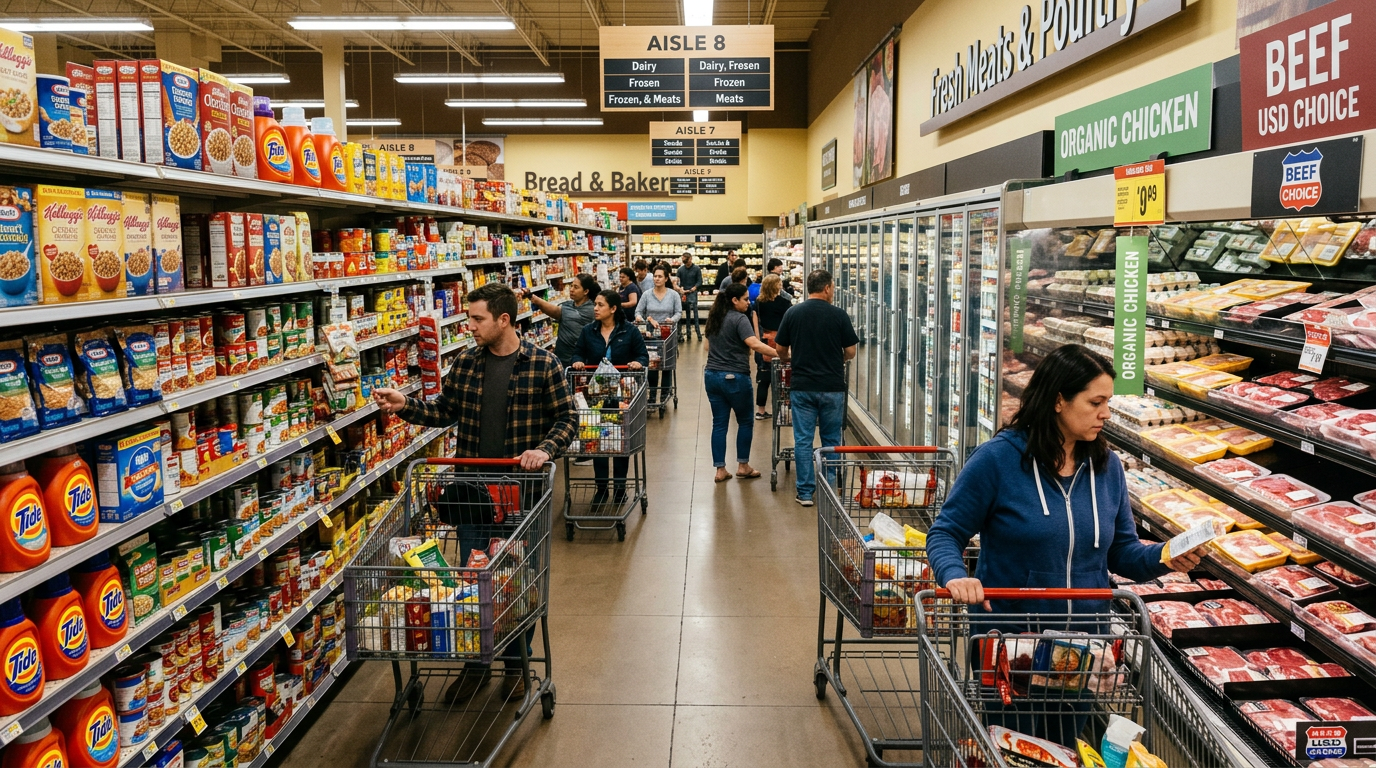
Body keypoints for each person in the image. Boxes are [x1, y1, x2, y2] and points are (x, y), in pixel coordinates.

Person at [924, 344, 1202, 747]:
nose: (1106, 413)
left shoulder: (1107, 469)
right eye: (1096, 402)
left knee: (1062, 749)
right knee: (1013, 750)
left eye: (1108, 402)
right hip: (1013, 648)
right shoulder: (998, 460)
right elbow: (945, 532)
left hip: (1082, 651)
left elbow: (1122, 552)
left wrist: (1166, 557)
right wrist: (955, 576)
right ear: (1059, 400)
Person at [373, 282, 575, 703]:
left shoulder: (544, 364)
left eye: (477, 318)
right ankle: (475, 664)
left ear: (504, 319)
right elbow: (446, 411)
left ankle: (517, 665)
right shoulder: (466, 363)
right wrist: (404, 404)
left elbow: (566, 420)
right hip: (471, 494)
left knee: (518, 583)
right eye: (468, 318)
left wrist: (544, 449)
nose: (470, 326)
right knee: (471, 580)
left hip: (521, 495)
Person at [773, 269, 858, 507]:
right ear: (828, 288)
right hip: (832, 387)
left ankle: (805, 492)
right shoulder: (839, 315)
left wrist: (789, 359)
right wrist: (837, 358)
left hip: (803, 387)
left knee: (803, 440)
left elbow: (780, 348)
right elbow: (850, 351)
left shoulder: (793, 312)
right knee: (831, 439)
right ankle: (829, 490)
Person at [572, 289, 648, 507]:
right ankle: (602, 488)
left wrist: (638, 363)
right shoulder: (589, 331)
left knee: (621, 442)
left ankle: (620, 489)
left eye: (600, 305)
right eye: (595, 304)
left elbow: (642, 355)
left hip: (623, 395)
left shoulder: (629, 331)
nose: (595, 308)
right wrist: (578, 362)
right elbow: (577, 353)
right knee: (598, 442)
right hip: (596, 396)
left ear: (613, 309)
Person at [704, 283, 778, 483]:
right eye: (745, 299)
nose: (749, 302)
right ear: (734, 300)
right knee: (745, 421)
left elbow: (706, 346)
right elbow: (754, 343)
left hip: (711, 375)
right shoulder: (739, 319)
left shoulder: (714, 318)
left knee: (719, 423)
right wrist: (781, 354)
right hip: (735, 377)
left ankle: (720, 470)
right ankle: (743, 466)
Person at [524, 273, 598, 367]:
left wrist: (534, 298)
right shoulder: (568, 305)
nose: (571, 289)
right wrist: (531, 297)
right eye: (571, 286)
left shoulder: (591, 309)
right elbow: (556, 311)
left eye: (576, 287)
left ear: (586, 291)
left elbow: (556, 312)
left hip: (578, 362)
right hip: (561, 358)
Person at [636, 264, 683, 405]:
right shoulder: (646, 294)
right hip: (650, 335)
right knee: (653, 365)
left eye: (660, 276)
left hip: (667, 334)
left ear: (666, 278)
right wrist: (641, 319)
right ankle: (652, 395)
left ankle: (664, 394)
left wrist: (672, 320)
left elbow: (678, 313)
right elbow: (638, 311)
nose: (656, 279)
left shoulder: (673, 295)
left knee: (667, 365)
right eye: (655, 276)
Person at [751, 274, 792, 420]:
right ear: (776, 286)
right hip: (780, 340)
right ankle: (783, 408)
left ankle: (760, 411)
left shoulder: (759, 302)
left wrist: (757, 336)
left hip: (764, 340)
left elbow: (755, 317)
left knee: (764, 376)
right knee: (783, 375)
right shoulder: (784, 303)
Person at [676, 251, 704, 342]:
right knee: (685, 315)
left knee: (695, 315)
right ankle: (686, 334)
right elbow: (678, 282)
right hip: (684, 294)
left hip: (692, 293)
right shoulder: (680, 270)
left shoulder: (696, 269)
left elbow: (699, 281)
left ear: (690, 259)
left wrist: (693, 288)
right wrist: (681, 289)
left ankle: (698, 333)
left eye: (686, 260)